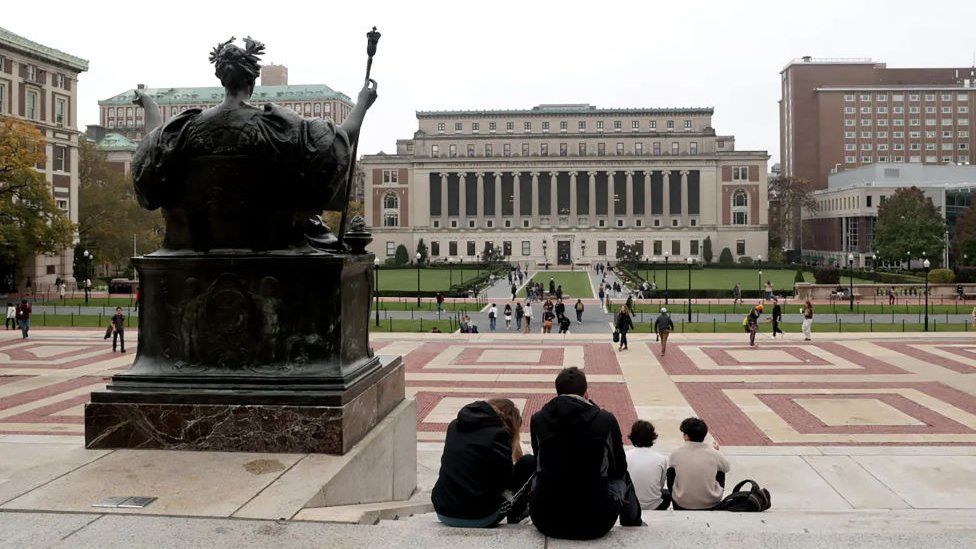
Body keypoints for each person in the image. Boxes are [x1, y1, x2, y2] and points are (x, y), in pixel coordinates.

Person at [529, 367, 639, 540]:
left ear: (557, 392)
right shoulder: (605, 420)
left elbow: (538, 464)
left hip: (545, 519)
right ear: (586, 392)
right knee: (623, 476)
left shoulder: (538, 419)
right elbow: (618, 468)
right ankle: (633, 521)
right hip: (596, 522)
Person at [432, 399, 536, 527]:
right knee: (529, 462)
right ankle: (516, 515)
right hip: (480, 516)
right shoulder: (499, 434)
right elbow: (506, 482)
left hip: (443, 509)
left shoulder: (454, 425)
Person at [666, 418, 730, 511]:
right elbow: (727, 468)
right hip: (710, 503)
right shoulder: (713, 453)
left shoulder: (675, 453)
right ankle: (714, 493)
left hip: (682, 503)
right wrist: (717, 452)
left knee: (671, 471)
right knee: (720, 469)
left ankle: (678, 496)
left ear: (686, 436)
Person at [626, 420, 670, 510]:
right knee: (667, 494)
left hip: (629, 504)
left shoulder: (625, 456)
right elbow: (660, 485)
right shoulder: (661, 459)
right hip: (654, 506)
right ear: (652, 438)